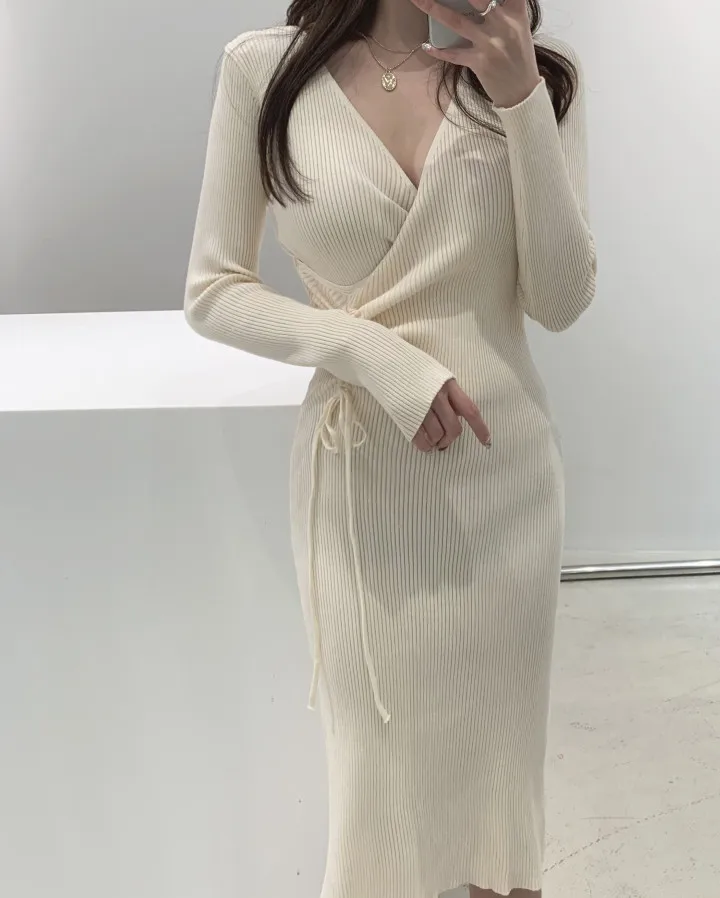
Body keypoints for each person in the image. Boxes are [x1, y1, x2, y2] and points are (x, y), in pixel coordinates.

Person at [184, 0, 596, 894]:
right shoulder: (266, 70)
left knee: (500, 784)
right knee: (377, 785)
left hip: (505, 490)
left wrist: (520, 96)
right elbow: (213, 290)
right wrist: (371, 353)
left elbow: (561, 300)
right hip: (361, 481)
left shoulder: (542, 75)